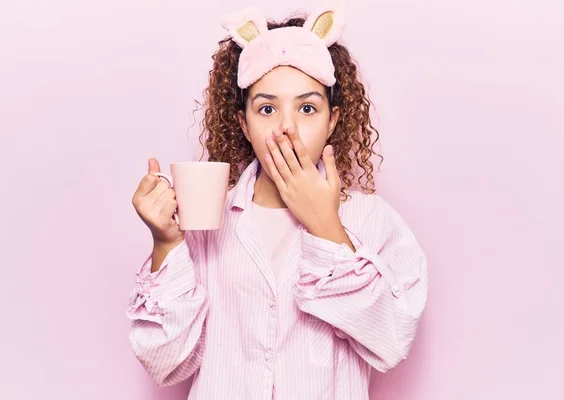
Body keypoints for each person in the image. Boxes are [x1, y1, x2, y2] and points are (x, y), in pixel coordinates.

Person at [127, 1, 428, 399]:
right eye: (267, 108)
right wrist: (167, 243)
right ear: (243, 123)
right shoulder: (204, 221)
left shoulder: (372, 220)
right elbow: (166, 363)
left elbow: (392, 341)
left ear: (333, 120)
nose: (286, 127)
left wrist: (326, 227)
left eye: (307, 108)